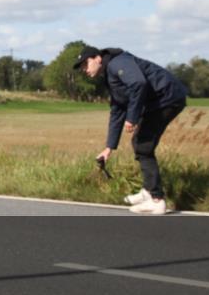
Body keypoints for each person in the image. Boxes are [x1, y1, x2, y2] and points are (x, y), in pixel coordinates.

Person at [73, 46, 188, 214]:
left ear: (98, 58)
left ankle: (156, 199)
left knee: (143, 145)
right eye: (82, 67)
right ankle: (148, 192)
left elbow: (138, 83)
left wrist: (132, 117)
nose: (84, 69)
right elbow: (117, 109)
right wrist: (109, 147)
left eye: (86, 64)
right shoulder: (110, 75)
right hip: (160, 101)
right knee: (140, 143)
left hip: (167, 98)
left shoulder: (117, 63)